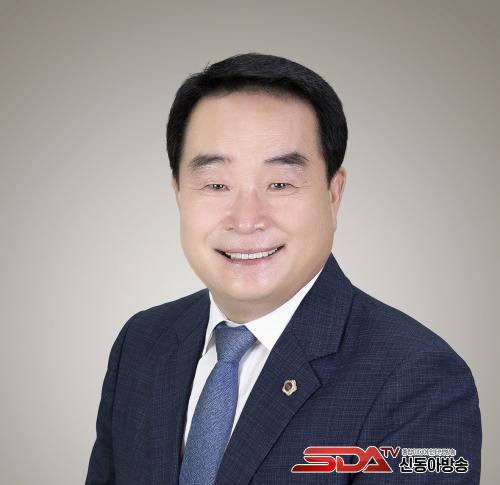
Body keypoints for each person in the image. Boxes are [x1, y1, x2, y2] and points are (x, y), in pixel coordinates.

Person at [85, 53, 481, 484]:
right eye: (216, 184)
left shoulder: (418, 378)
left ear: (333, 193)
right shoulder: (142, 343)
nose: (246, 220)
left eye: (279, 184)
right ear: (179, 192)